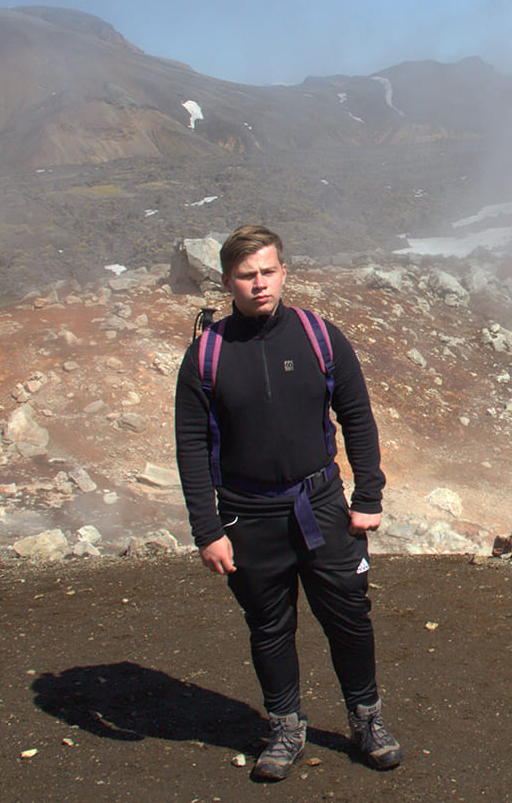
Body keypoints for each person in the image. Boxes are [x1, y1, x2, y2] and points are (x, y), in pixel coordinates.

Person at [174, 224, 400, 781]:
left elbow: (357, 417)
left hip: (320, 502)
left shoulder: (321, 336)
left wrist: (367, 494)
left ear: (283, 273)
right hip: (247, 515)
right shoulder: (206, 355)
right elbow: (191, 446)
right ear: (227, 280)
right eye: (247, 275)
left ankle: (365, 718)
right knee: (269, 625)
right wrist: (208, 529)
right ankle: (284, 727)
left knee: (349, 616)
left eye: (268, 272)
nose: (259, 284)